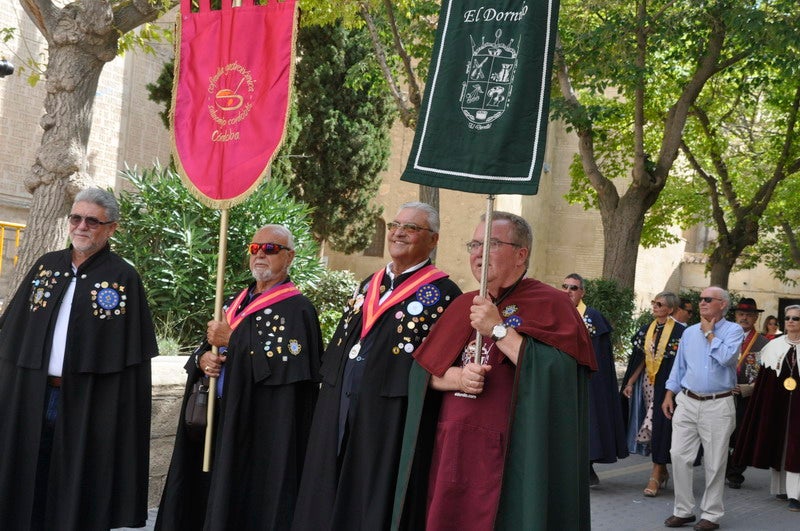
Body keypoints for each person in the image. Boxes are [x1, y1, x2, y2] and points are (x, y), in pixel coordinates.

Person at [391, 212, 597, 530]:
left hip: (512, 453)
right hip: (452, 449)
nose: (478, 252)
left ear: (521, 254)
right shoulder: (464, 305)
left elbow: (560, 376)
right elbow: (422, 373)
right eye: (474, 243)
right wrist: (453, 379)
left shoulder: (551, 303)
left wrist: (498, 330)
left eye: (491, 243)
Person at [292, 202, 461, 531]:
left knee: (370, 498)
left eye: (411, 228)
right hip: (341, 405)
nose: (398, 232)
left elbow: (440, 364)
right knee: (330, 489)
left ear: (434, 239)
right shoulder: (370, 283)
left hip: (389, 418)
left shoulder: (444, 293)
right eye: (396, 225)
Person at [0, 188, 158, 531]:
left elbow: (131, 360)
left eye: (92, 220)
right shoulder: (47, 266)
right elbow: (13, 335)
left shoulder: (123, 277)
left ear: (111, 228)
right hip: (34, 395)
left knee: (76, 489)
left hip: (89, 402)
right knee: (29, 481)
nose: (82, 226)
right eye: (76, 217)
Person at [156, 224, 323, 530]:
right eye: (255, 248)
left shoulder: (298, 309)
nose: (260, 254)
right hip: (217, 416)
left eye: (270, 249)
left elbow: (289, 369)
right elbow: (205, 348)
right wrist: (203, 359)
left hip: (257, 427)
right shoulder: (233, 300)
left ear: (290, 257)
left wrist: (233, 340)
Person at [662, 286, 743, 531]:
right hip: (687, 401)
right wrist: (669, 394)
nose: (702, 303)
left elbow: (728, 358)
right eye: (700, 299)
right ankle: (683, 511)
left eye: (708, 299)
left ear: (723, 304)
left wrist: (710, 334)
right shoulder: (688, 333)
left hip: (718, 403)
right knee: (678, 455)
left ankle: (711, 514)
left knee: (715, 462)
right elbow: (679, 367)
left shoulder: (733, 330)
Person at [562, 273, 628, 486]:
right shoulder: (556, 312)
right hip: (562, 380)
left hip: (586, 380)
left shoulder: (592, 317)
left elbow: (600, 356)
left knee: (587, 423)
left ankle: (587, 467)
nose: (568, 291)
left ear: (582, 292)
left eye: (573, 288)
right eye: (565, 286)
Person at [733, 304, 800, 512]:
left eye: (796, 318)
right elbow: (765, 382)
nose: (790, 321)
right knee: (780, 443)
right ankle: (781, 489)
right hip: (779, 405)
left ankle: (796, 495)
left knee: (796, 446)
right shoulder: (773, 346)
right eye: (787, 318)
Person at [621, 292, 685, 497]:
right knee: (654, 425)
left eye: (660, 304)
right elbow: (641, 358)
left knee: (659, 424)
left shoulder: (680, 332)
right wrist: (630, 382)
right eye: (654, 303)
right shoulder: (646, 329)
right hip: (648, 384)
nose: (655, 307)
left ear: (671, 309)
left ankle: (656, 474)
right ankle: (661, 469)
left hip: (668, 385)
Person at [725, 297, 768, 489]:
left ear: (755, 319)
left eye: (749, 315)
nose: (744, 318)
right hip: (722, 392)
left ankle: (735, 473)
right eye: (741, 314)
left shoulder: (764, 343)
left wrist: (749, 388)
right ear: (735, 315)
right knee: (720, 434)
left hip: (746, 396)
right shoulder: (723, 336)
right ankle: (724, 468)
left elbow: (769, 374)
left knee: (741, 434)